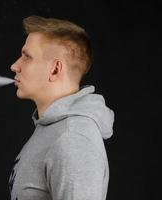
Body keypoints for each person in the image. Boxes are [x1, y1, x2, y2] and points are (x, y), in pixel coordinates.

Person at [8, 15, 115, 200]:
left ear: (55, 69)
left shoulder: (72, 139)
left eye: (27, 57)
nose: (14, 66)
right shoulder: (50, 128)